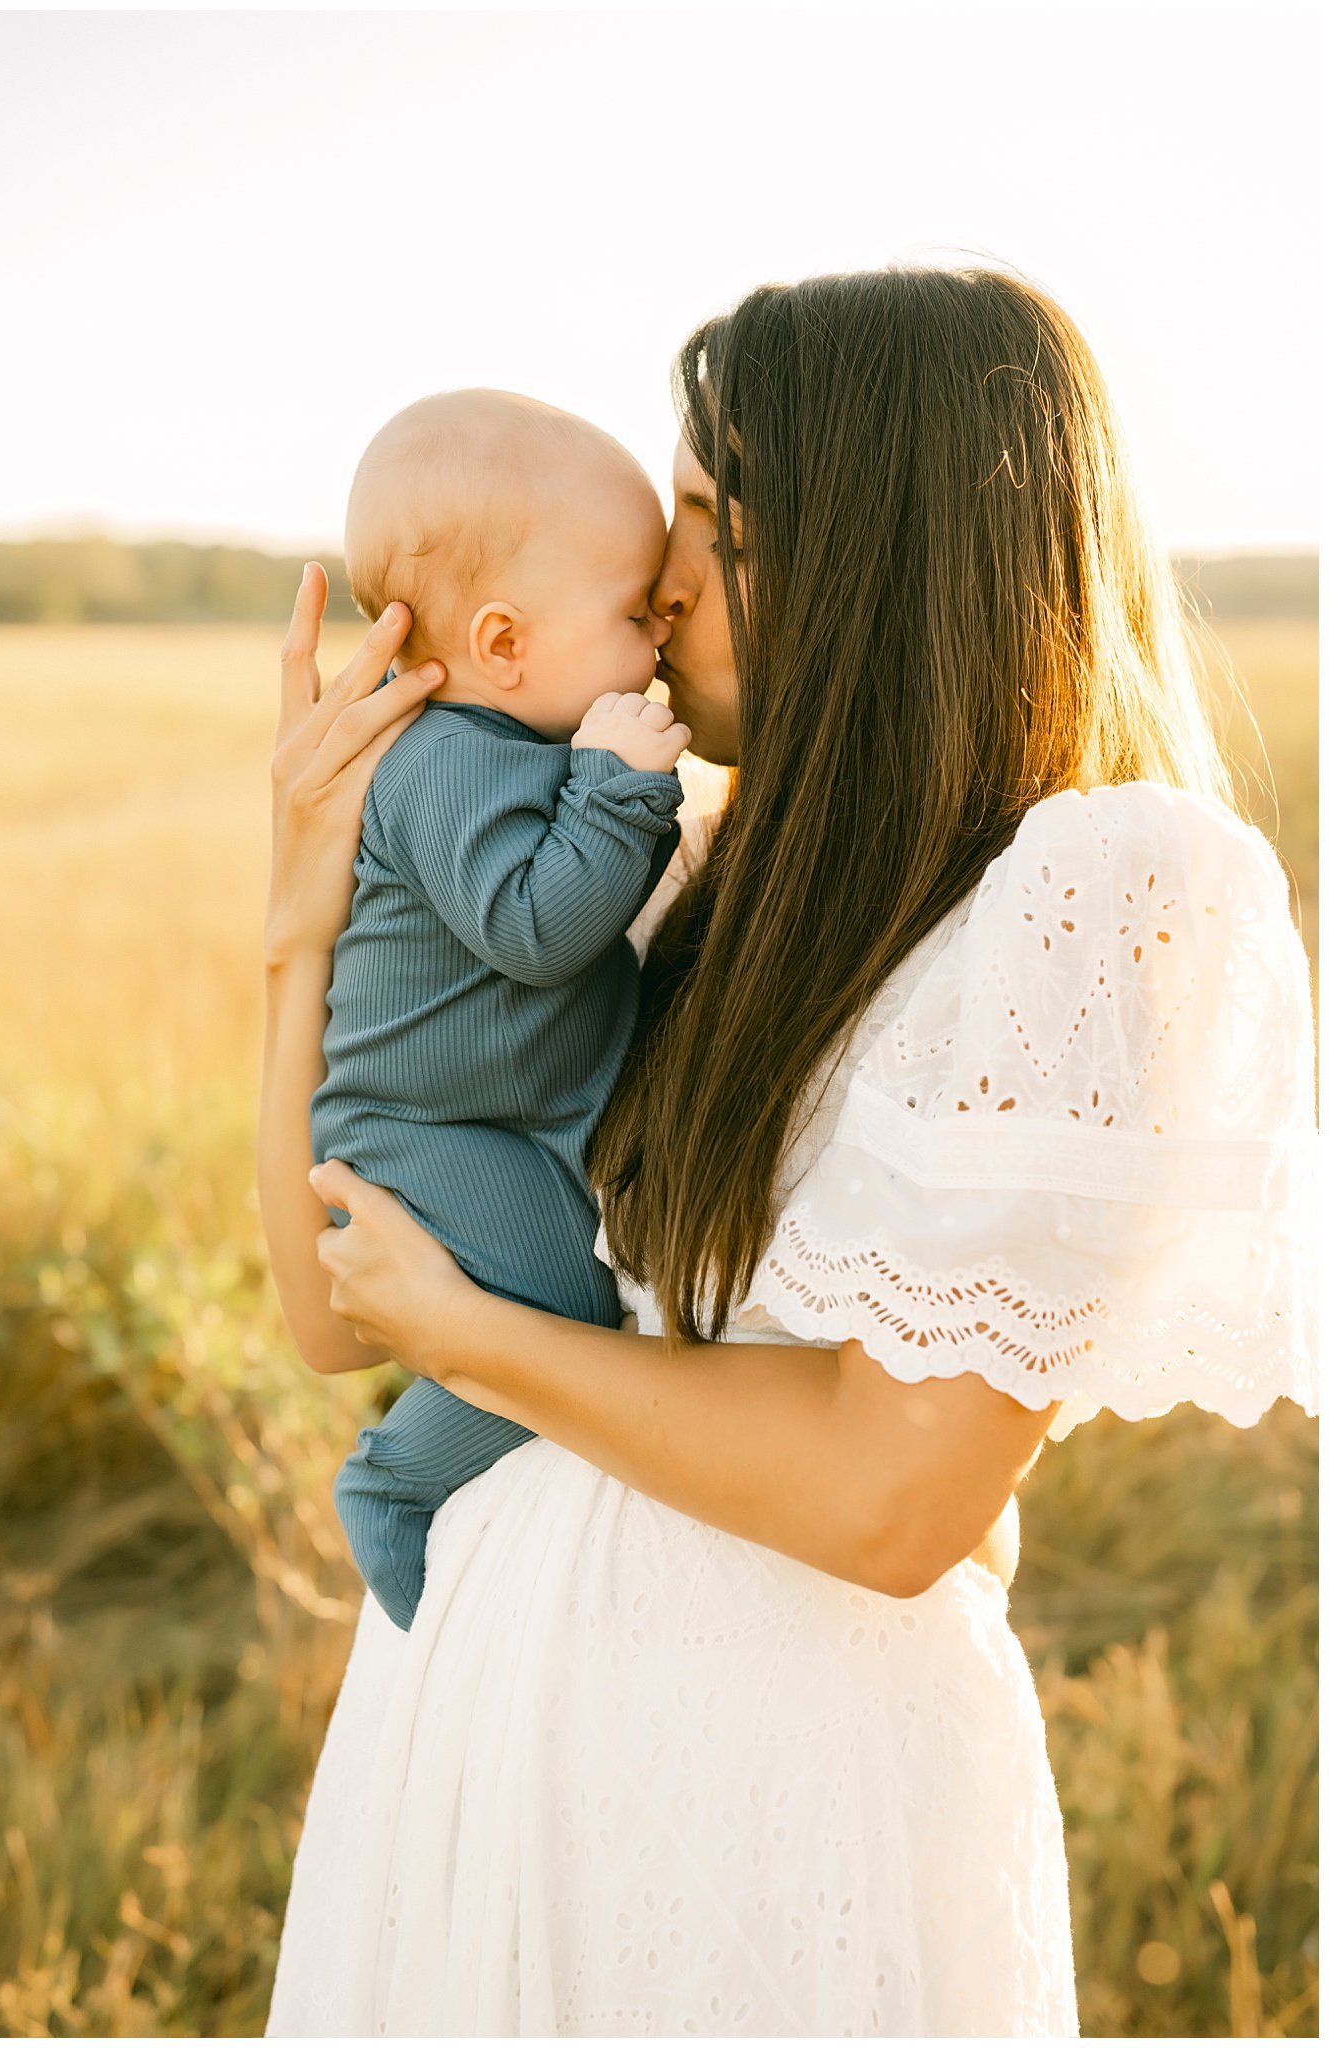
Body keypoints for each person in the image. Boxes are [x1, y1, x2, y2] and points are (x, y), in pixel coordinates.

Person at [258, 265, 1319, 2037]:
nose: (658, 578)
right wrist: (299, 932)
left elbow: (891, 1498)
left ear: (878, 551)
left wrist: (483, 1342)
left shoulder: (1082, 896)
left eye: (708, 517)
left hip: (767, 1806)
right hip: (471, 1755)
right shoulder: (715, 881)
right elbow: (328, 1302)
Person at [312, 389, 691, 1629]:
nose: (658, 641)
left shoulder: (517, 744)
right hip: (422, 1132)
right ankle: (393, 1478)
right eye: (635, 614)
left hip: (500, 1115)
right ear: (505, 641)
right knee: (560, 1302)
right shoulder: (444, 762)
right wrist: (620, 791)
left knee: (579, 1280)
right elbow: (533, 932)